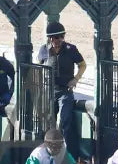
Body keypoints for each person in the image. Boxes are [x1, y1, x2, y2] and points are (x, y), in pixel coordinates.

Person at [36, 21, 85, 154]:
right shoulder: (43, 49)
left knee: (65, 121)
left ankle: (66, 153)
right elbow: (38, 67)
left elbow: (82, 65)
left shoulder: (71, 49)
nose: (56, 40)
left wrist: (76, 79)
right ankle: (49, 152)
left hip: (65, 91)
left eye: (59, 37)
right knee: (48, 122)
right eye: (53, 38)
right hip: (48, 90)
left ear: (63, 37)